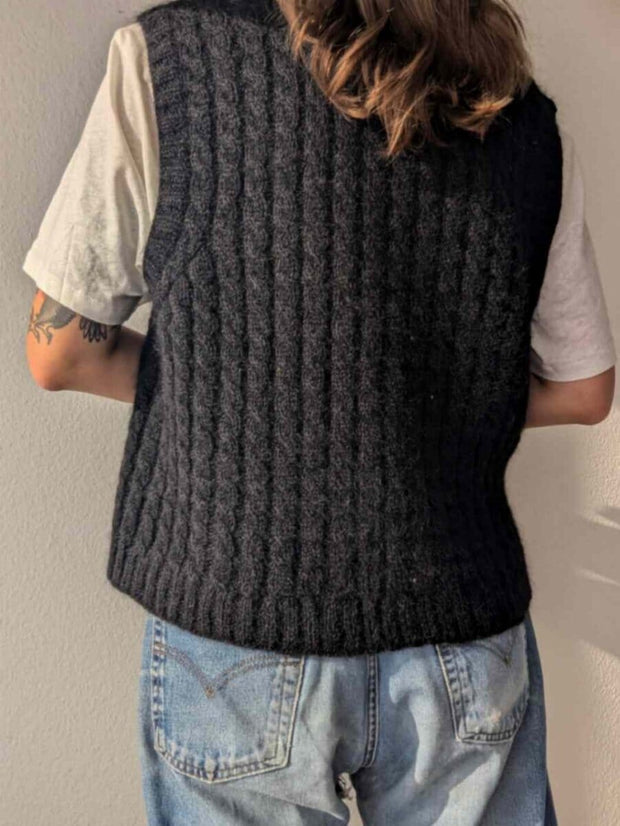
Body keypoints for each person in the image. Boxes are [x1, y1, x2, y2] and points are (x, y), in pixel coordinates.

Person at [23, 0, 616, 823]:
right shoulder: (517, 115)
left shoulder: (173, 61)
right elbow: (585, 389)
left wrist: (231, 389)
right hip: (458, 626)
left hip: (237, 626)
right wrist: (421, 404)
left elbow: (60, 350)